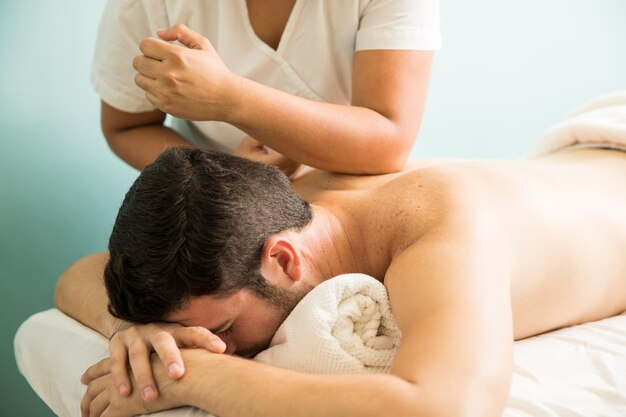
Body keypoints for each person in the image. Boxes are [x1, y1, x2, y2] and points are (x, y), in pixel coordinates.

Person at [55, 145, 626, 417]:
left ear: (283, 259)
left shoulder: (442, 233)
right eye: (196, 339)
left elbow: (448, 408)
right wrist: (126, 330)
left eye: (224, 329)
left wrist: (197, 377)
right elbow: (75, 274)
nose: (209, 344)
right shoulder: (261, 209)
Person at [93, 0, 441, 174]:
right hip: (218, 203)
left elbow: (389, 142)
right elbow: (126, 126)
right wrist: (220, 171)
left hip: (351, 191)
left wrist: (229, 98)